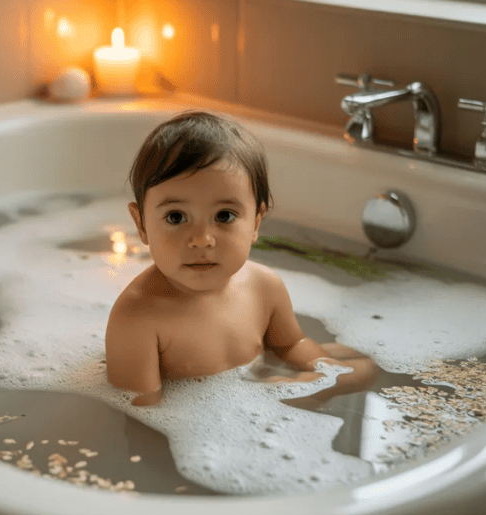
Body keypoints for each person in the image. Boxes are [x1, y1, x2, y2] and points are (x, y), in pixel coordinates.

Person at [105, 111, 376, 406]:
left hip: (251, 413)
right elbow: (140, 409)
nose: (201, 239)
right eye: (176, 217)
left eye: (224, 216)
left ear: (256, 223)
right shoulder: (136, 318)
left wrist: (320, 374)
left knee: (364, 370)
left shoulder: (265, 287)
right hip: (192, 433)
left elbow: (291, 344)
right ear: (141, 223)